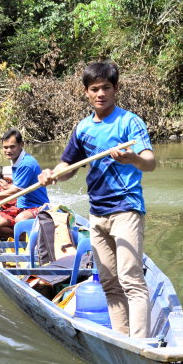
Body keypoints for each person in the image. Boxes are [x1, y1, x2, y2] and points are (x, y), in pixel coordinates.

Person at [38, 62, 156, 338]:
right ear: (86, 93)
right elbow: (67, 167)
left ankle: (141, 344)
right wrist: (51, 175)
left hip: (126, 208)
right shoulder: (83, 129)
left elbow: (149, 163)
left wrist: (133, 158)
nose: (100, 93)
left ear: (115, 89)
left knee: (131, 279)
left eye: (106, 88)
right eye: (94, 89)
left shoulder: (129, 122)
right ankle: (121, 338)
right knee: (109, 283)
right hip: (97, 213)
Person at [0, 129, 49, 239]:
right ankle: (21, 237)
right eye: (5, 147)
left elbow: (15, 192)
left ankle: (29, 237)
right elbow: (20, 188)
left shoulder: (26, 164)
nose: (8, 150)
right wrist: (8, 186)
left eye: (12, 147)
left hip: (38, 207)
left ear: (21, 145)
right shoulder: (16, 160)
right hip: (21, 207)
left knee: (20, 220)